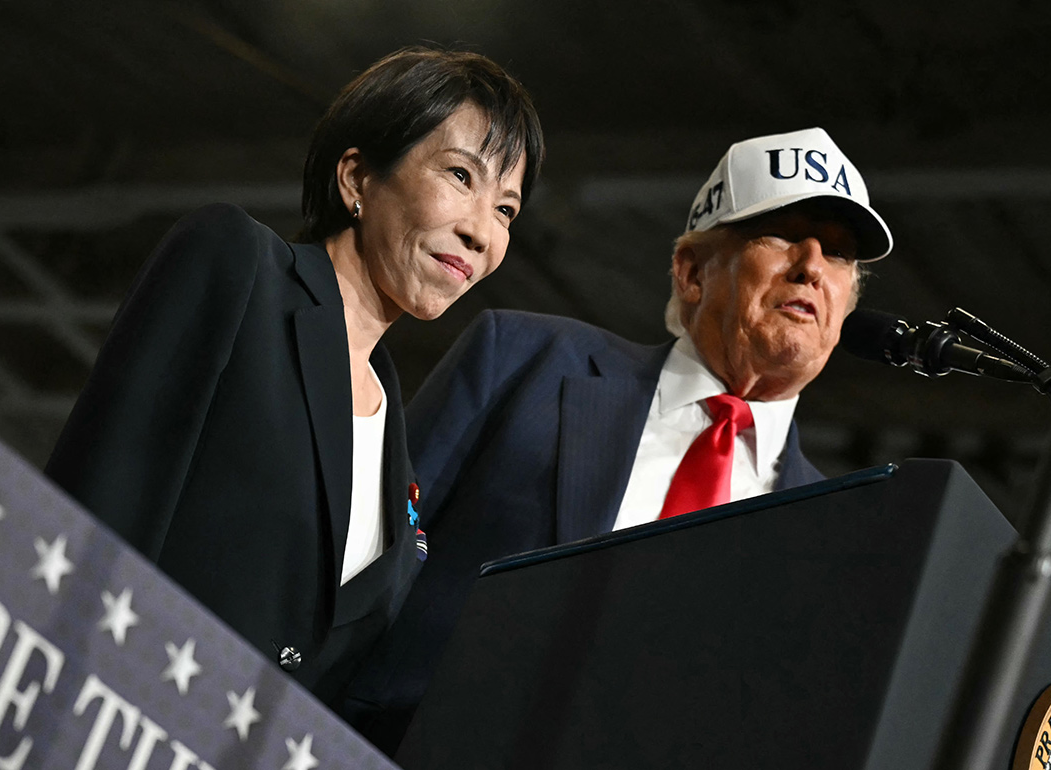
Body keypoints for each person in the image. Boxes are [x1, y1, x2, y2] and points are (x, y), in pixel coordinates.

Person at [338, 127, 893, 750]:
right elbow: (364, 557)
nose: (813, 265)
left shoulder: (836, 529)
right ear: (691, 272)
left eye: (841, 254)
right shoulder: (524, 361)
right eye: (783, 234)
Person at [44, 47, 543, 704]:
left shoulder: (395, 424)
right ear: (357, 178)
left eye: (506, 209)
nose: (483, 231)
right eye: (460, 175)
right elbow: (95, 504)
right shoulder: (238, 269)